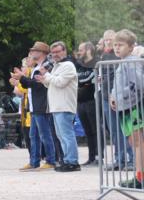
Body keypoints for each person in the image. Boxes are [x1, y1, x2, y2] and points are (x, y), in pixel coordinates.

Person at [11, 42, 57, 171]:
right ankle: (34, 161)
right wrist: (21, 79)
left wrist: (21, 78)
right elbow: (29, 84)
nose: (31, 53)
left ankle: (50, 160)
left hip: (42, 105)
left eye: (34, 51)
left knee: (44, 134)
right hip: (34, 106)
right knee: (34, 136)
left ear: (42, 52)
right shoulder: (37, 67)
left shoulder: (46, 66)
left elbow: (37, 84)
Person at [108, 29, 144, 189]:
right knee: (134, 142)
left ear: (130, 47)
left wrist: (123, 98)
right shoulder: (123, 62)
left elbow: (138, 84)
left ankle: (140, 177)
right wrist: (113, 96)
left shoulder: (131, 62)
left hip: (133, 107)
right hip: (125, 108)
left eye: (120, 45)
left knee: (138, 142)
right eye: (115, 45)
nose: (117, 48)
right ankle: (139, 175)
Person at [39, 41, 81, 172]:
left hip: (64, 105)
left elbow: (60, 82)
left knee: (67, 135)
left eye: (58, 52)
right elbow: (51, 84)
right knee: (61, 136)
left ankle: (72, 161)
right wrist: (44, 79)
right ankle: (67, 160)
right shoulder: (56, 66)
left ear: (64, 51)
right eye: (53, 53)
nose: (55, 55)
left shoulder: (68, 65)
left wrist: (46, 75)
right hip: (56, 106)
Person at [98, 30, 134, 170]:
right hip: (107, 96)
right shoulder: (104, 55)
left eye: (111, 40)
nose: (109, 42)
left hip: (122, 98)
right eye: (106, 39)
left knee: (127, 129)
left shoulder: (123, 58)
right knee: (114, 131)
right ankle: (120, 159)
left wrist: (115, 95)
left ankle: (132, 159)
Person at [75, 41, 99, 166]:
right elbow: (76, 81)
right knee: (88, 131)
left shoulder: (96, 63)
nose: (79, 52)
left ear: (89, 50)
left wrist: (83, 84)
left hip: (92, 101)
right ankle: (91, 157)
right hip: (80, 102)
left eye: (81, 50)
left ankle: (99, 157)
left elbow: (91, 82)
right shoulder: (79, 65)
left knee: (96, 130)